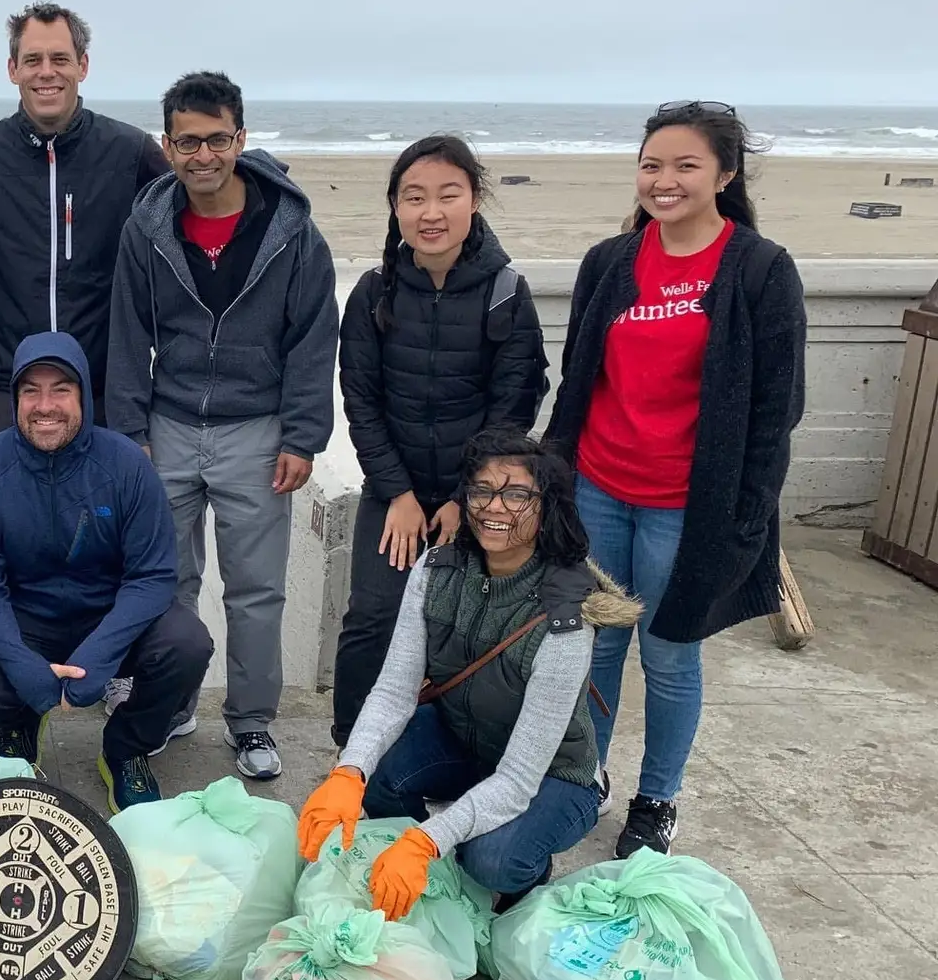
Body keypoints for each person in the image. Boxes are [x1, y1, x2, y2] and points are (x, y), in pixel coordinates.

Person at [545, 101, 806, 858]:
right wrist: (556, 480)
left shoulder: (759, 269)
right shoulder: (611, 262)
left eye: (686, 165)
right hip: (598, 489)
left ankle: (655, 799)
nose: (664, 180)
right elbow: (579, 380)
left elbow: (775, 411)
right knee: (591, 648)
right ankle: (581, 775)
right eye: (652, 164)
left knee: (667, 654)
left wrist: (746, 522)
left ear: (724, 174)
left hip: (685, 510)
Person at [297, 431, 642, 915]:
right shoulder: (437, 569)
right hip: (466, 741)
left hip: (551, 775)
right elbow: (395, 691)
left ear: (548, 506)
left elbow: (520, 777)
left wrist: (426, 841)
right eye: (482, 490)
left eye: (517, 494)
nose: (493, 508)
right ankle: (419, 868)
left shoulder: (566, 618)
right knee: (373, 773)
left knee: (491, 860)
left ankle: (519, 869)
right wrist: (347, 772)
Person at [106, 71, 338, 781]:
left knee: (256, 589)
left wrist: (302, 436)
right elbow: (126, 332)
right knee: (165, 581)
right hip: (168, 425)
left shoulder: (292, 230)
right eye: (186, 141)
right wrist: (130, 430)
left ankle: (251, 722)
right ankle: (172, 704)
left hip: (258, 430)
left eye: (216, 139)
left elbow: (312, 338)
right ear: (166, 144)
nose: (202, 155)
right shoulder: (146, 226)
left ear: (240, 138)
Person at [332, 135, 549, 750]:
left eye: (448, 195)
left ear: (474, 200)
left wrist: (468, 498)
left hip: (485, 497)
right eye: (414, 197)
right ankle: (350, 751)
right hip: (395, 489)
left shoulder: (505, 290)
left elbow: (514, 408)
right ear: (395, 208)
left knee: (467, 628)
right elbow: (362, 402)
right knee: (372, 618)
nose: (431, 212)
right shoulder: (375, 293)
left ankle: (454, 748)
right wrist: (398, 493)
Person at [0, 332, 214, 813]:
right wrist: (28, 672)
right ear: (15, 399)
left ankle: (126, 747)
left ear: (85, 396)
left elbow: (152, 577)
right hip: (25, 620)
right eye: (31, 390)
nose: (45, 405)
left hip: (109, 616)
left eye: (61, 389)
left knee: (188, 644)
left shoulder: (127, 465)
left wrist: (98, 657)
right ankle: (23, 722)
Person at [0, 1, 172, 442]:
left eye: (60, 59)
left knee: (104, 513)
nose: (46, 72)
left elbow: (185, 234)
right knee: (5, 510)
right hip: (6, 383)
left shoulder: (130, 152)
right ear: (13, 69)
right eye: (33, 60)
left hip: (107, 388)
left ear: (83, 66)